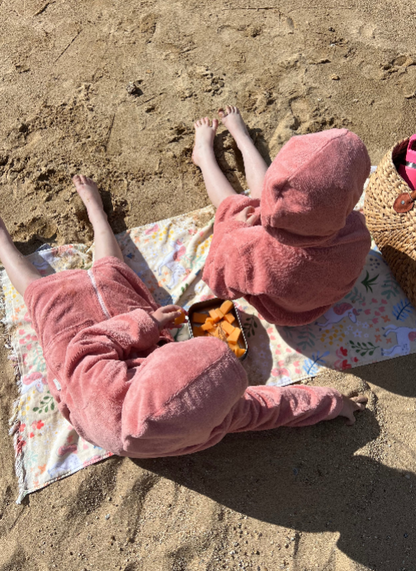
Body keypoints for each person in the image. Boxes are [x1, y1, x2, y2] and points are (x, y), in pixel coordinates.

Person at [0, 176, 367, 459]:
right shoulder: (218, 418)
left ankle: (10, 243)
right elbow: (275, 408)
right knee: (116, 275)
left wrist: (147, 326)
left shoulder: (102, 392)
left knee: (44, 290)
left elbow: (86, 345)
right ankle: (96, 214)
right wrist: (334, 403)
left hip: (75, 349)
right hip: (131, 359)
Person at [194, 106, 371, 326]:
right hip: (313, 305)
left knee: (236, 206)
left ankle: (204, 156)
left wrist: (233, 230)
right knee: (267, 199)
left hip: (279, 309)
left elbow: (217, 281)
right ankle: (242, 138)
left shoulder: (250, 250)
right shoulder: (357, 235)